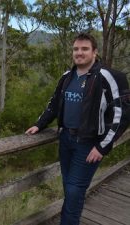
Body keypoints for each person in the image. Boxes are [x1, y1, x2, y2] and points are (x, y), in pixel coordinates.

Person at [25, 33, 130, 225]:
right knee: (69, 187)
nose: (79, 53)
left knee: (74, 191)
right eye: (76, 49)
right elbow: (54, 104)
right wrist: (39, 124)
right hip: (65, 140)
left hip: (88, 144)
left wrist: (102, 147)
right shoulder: (67, 76)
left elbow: (121, 114)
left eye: (84, 49)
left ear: (95, 52)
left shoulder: (108, 76)